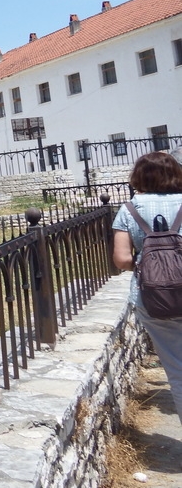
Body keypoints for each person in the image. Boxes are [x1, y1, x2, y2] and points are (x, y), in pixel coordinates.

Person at [113, 151, 182, 425]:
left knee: (177, 370)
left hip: (154, 300)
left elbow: (122, 260)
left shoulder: (129, 209)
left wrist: (149, 267)